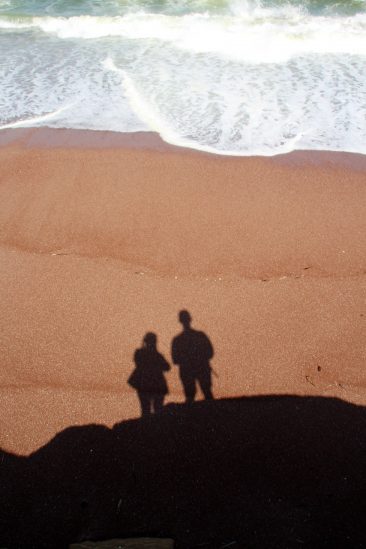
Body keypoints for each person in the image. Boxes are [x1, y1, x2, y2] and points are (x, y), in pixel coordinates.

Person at [171, 310, 214, 404]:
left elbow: (175, 359)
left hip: (191, 369)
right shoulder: (199, 335)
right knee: (203, 393)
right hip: (198, 368)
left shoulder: (178, 340)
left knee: (194, 395)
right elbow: (210, 353)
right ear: (190, 319)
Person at [128, 333, 170, 417]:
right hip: (149, 383)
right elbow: (166, 367)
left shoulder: (148, 354)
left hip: (149, 384)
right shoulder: (144, 353)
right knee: (149, 409)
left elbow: (167, 367)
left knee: (152, 409)